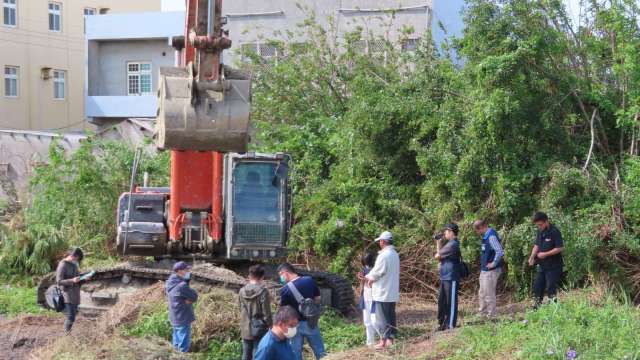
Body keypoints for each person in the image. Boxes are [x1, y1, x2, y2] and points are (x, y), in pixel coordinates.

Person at [277, 263, 325, 359]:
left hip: (294, 325)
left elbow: (284, 310)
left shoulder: (285, 290)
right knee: (320, 351)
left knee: (295, 353)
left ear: (285, 273)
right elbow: (318, 298)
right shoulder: (309, 280)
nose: (281, 278)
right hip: (311, 322)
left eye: (281, 275)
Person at [364, 231, 400, 349]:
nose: (379, 243)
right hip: (392, 291)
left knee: (382, 318)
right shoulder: (394, 254)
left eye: (380, 241)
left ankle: (383, 342)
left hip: (383, 292)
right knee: (390, 316)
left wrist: (369, 278)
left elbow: (378, 271)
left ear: (383, 241)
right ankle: (391, 340)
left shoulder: (384, 255)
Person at [528, 212, 564, 308]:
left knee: (550, 288)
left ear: (546, 221)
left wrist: (545, 254)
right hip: (542, 265)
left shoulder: (555, 231)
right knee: (537, 286)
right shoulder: (540, 231)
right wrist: (531, 257)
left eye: (540, 224)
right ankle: (536, 308)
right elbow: (537, 245)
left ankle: (554, 309)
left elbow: (560, 248)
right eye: (537, 225)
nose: (539, 227)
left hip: (553, 266)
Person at [239, 264, 273, 360]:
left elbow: (240, 308)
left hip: (245, 326)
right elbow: (267, 313)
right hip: (259, 328)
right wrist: (271, 326)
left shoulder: (241, 291)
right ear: (262, 277)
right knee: (257, 353)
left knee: (245, 353)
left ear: (249, 276)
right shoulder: (263, 292)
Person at [473, 219, 505, 319]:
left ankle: (491, 315)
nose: (477, 233)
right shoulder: (486, 236)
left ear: (481, 228)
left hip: (491, 271)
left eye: (477, 231)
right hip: (484, 270)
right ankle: (482, 313)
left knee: (489, 293)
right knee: (482, 292)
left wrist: (494, 263)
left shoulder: (491, 236)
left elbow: (500, 251)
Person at [56, 247, 91, 333]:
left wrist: (84, 278)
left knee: (73, 315)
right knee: (71, 316)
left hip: (75, 293)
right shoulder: (63, 264)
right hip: (67, 293)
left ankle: (67, 332)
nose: (76, 260)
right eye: (76, 258)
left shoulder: (74, 264)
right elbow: (59, 281)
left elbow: (77, 278)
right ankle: (66, 335)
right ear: (72, 255)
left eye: (77, 259)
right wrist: (72, 280)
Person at [166, 261, 198, 353]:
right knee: (183, 344)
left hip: (174, 315)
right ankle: (182, 356)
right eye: (186, 269)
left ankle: (175, 355)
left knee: (176, 339)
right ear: (179, 271)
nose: (189, 271)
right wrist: (189, 297)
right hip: (182, 316)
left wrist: (186, 281)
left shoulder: (170, 282)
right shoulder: (182, 286)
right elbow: (194, 296)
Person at [435, 223, 461, 331]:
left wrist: (438, 244)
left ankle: (450, 325)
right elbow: (440, 257)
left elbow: (437, 256)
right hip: (444, 277)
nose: (444, 233)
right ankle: (442, 324)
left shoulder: (453, 244)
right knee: (442, 301)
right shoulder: (449, 244)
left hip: (451, 277)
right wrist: (438, 243)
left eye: (446, 231)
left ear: (451, 232)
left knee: (451, 302)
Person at [357, 252, 377, 347]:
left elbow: (375, 283)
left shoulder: (376, 270)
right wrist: (360, 277)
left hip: (374, 297)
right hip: (365, 297)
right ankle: (370, 343)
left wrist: (364, 279)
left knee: (375, 321)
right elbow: (363, 280)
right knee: (367, 322)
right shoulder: (364, 269)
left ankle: (384, 340)